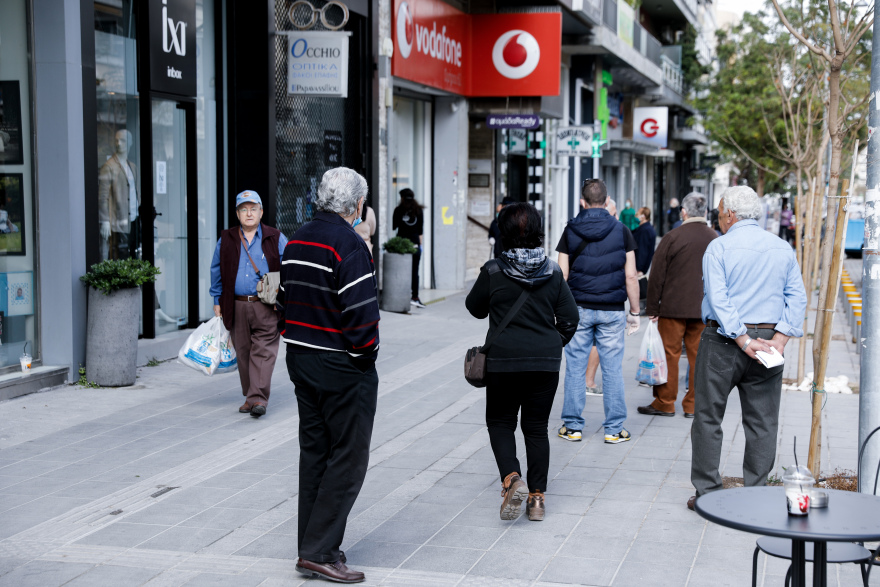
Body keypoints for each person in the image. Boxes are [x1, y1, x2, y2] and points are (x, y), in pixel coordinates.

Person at [278, 168, 380, 584]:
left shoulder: (297, 238)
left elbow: (282, 298)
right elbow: (361, 315)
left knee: (316, 452)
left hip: (301, 358)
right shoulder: (349, 244)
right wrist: (364, 355)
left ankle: (313, 545)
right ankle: (319, 550)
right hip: (342, 364)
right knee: (349, 456)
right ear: (356, 205)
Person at [687, 186, 807, 511]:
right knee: (763, 421)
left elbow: (718, 298)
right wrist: (780, 338)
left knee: (708, 418)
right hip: (769, 343)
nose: (719, 218)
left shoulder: (719, 248)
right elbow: (797, 297)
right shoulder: (782, 248)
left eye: (719, 212)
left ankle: (708, 494)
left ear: (729, 214)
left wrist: (742, 338)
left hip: (725, 342)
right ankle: (756, 494)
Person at [466, 203, 578, 522]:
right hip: (544, 363)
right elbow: (570, 319)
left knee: (501, 423)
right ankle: (537, 499)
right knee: (536, 428)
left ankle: (511, 479)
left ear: (503, 233)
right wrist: (551, 345)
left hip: (503, 362)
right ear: (538, 231)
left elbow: (474, 308)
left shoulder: (493, 270)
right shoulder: (553, 271)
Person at [557, 179, 641, 445]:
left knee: (574, 368)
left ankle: (572, 427)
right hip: (612, 311)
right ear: (606, 202)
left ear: (582, 202)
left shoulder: (569, 230)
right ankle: (614, 429)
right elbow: (630, 276)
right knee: (613, 369)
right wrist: (635, 311)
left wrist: (559, 311)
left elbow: (562, 275)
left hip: (578, 309)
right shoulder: (622, 230)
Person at [209, 190, 287, 417]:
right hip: (236, 304)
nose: (249, 213)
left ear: (261, 212)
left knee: (263, 351)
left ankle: (258, 399)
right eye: (244, 209)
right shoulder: (227, 238)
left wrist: (284, 297)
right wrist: (217, 299)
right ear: (237, 213)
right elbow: (216, 269)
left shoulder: (275, 236)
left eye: (253, 209)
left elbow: (289, 266)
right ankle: (251, 395)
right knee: (243, 352)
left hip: (266, 305)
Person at [639, 193, 717, 418]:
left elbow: (656, 276)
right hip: (703, 310)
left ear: (684, 212)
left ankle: (665, 402)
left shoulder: (672, 237)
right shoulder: (715, 237)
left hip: (672, 308)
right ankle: (693, 406)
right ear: (704, 212)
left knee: (668, 355)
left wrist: (652, 308)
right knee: (698, 358)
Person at [98, 129, 139, 260]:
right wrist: (104, 220)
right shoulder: (109, 166)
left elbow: (135, 191)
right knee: (120, 255)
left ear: (130, 143)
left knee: (133, 254)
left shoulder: (132, 167)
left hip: (134, 219)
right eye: (116, 140)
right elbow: (103, 195)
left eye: (122, 140)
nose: (118, 143)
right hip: (118, 221)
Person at [393, 188, 425, 308]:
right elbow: (420, 231)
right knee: (414, 272)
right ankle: (415, 297)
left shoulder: (398, 210)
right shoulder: (418, 210)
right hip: (415, 244)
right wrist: (420, 246)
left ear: (402, 198)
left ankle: (400, 296)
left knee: (400, 272)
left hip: (401, 245)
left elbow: (394, 226)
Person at [631, 206, 656, 310]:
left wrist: (639, 268)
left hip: (639, 266)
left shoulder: (645, 230)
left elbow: (643, 250)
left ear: (643, 216)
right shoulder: (645, 229)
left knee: (639, 290)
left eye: (638, 214)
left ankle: (639, 309)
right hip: (640, 266)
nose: (636, 215)